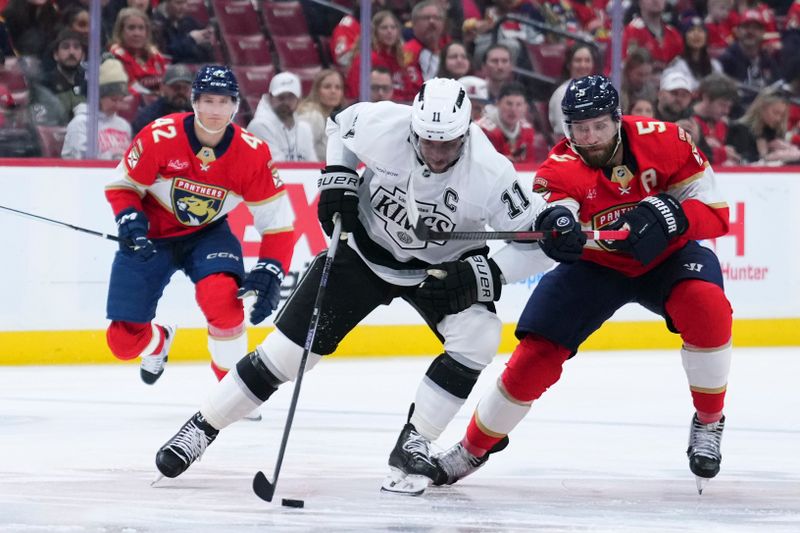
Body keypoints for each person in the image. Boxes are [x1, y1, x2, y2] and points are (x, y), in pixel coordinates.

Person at [152, 78, 554, 494]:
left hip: (437, 272)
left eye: (447, 144)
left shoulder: (491, 172)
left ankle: (414, 442)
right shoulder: (386, 122)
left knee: (480, 336)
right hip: (361, 252)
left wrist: (486, 274)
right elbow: (339, 126)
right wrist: (340, 173)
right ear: (413, 126)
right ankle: (201, 427)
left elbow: (537, 243)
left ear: (466, 132)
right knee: (288, 356)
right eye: (426, 141)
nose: (435, 153)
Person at [424, 75, 733, 495]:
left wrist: (674, 213)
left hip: (669, 259)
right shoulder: (559, 167)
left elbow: (716, 213)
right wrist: (558, 225)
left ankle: (710, 422)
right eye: (579, 128)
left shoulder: (668, 140)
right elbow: (555, 212)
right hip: (595, 266)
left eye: (599, 126)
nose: (589, 138)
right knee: (536, 356)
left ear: (618, 120)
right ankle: (472, 448)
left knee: (707, 306)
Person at [103, 65, 294, 402]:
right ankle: (159, 342)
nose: (215, 110)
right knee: (121, 342)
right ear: (193, 102)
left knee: (223, 299)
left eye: (223, 102)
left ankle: (234, 393)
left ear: (235, 105)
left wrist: (271, 268)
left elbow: (277, 222)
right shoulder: (159, 136)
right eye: (208, 100)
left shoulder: (252, 153)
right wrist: (129, 217)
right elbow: (123, 186)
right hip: (152, 235)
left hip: (208, 234)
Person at [61, 58, 132, 160]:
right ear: (98, 97)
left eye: (121, 100)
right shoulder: (80, 124)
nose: (117, 105)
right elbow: (79, 163)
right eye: (113, 99)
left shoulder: (123, 125)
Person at [246, 71, 317, 162]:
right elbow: (276, 167)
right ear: (270, 97)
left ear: (298, 99)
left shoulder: (304, 128)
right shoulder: (259, 126)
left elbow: (313, 166)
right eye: (281, 97)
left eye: (290, 97)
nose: (286, 102)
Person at [108, 7, 168, 96]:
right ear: (121, 31)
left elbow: (166, 84)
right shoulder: (115, 58)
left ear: (147, 32)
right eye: (131, 28)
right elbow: (127, 89)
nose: (137, 33)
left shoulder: (155, 55)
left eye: (141, 28)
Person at [478, 81, 539, 163]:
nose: (513, 109)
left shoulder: (528, 131)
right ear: (497, 103)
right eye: (509, 104)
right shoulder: (482, 130)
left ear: (525, 107)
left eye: (519, 104)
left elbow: (529, 165)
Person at [549, 42, 598, 138]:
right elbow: (562, 134)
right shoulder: (562, 94)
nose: (583, 65)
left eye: (587, 61)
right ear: (568, 64)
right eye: (578, 61)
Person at [297, 68, 345, 161]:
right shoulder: (312, 116)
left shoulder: (336, 118)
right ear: (317, 90)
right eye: (327, 87)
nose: (333, 91)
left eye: (338, 87)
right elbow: (301, 153)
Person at [131, 63, 193, 134]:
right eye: (176, 87)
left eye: (185, 88)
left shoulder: (196, 113)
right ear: (162, 87)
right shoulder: (149, 117)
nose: (181, 92)